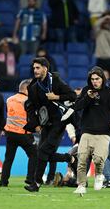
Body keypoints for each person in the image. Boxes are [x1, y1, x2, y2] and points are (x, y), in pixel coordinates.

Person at [23, 57, 77, 192]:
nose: (35, 70)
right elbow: (30, 107)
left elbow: (72, 95)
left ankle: (36, 183)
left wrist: (57, 97)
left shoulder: (56, 81)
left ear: (45, 69)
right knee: (43, 154)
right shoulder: (34, 87)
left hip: (59, 123)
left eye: (38, 68)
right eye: (34, 68)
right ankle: (70, 158)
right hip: (45, 124)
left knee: (42, 151)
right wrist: (35, 124)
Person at [73, 66, 110, 195]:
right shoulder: (86, 90)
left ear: (102, 79)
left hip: (104, 132)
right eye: (92, 79)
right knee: (82, 159)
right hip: (87, 130)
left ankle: (99, 175)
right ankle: (81, 185)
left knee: (98, 159)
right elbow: (77, 107)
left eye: (97, 79)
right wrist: (88, 98)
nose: (94, 81)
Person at [0, 79, 37, 187]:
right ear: (27, 89)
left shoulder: (9, 99)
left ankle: (3, 182)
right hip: (24, 133)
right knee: (34, 155)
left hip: (10, 133)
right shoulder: (28, 101)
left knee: (8, 159)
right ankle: (30, 179)